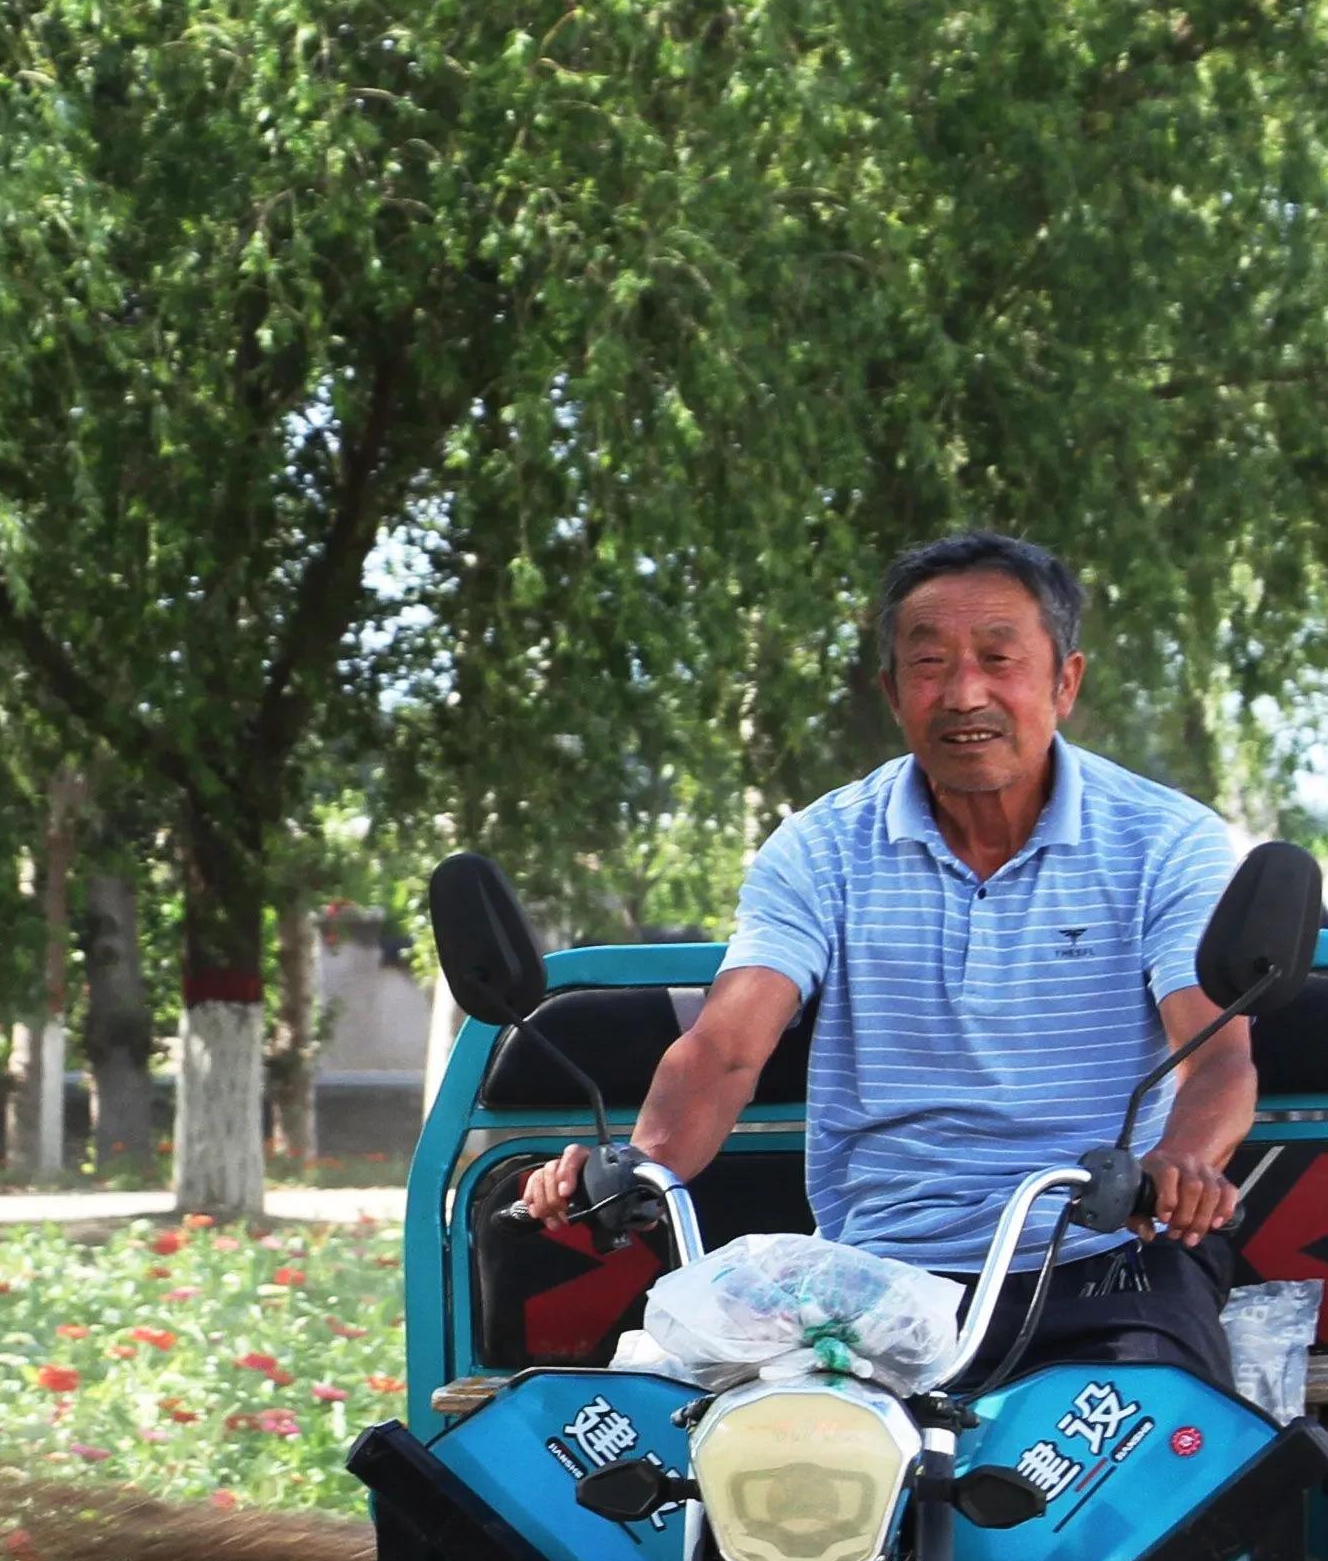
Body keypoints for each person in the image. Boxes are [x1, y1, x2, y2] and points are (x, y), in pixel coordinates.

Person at [516, 530, 1260, 1388]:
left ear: (1066, 681)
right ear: (891, 692)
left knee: (1140, 1473)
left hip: (1105, 1254)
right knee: (754, 1484)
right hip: (879, 1277)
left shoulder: (1168, 842)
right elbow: (724, 1048)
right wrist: (639, 1165)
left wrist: (1181, 1163)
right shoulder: (822, 847)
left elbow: (1215, 1057)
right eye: (930, 664)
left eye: (998, 659)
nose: (964, 693)